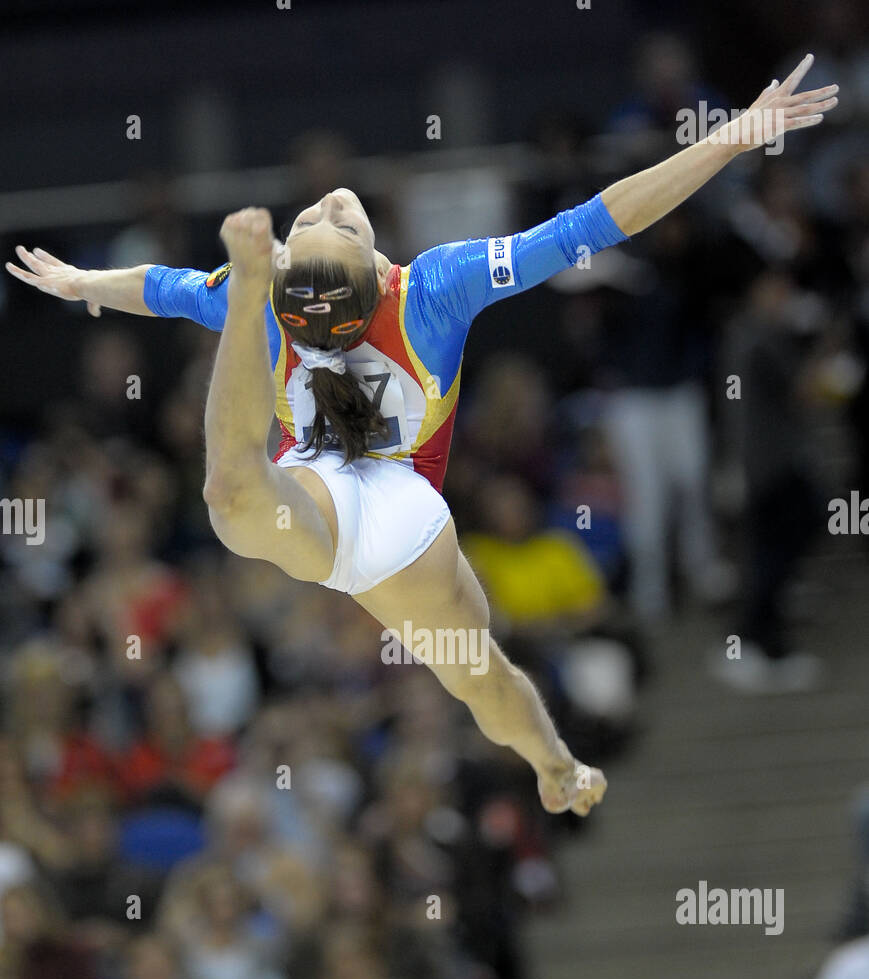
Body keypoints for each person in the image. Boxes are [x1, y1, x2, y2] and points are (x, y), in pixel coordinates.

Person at [7, 57, 837, 818]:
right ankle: (549, 759)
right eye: (328, 218)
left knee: (475, 670)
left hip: (400, 503)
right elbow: (155, 287)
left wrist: (730, 139)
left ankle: (554, 765)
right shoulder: (384, 287)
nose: (334, 202)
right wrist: (86, 285)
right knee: (231, 495)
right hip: (323, 485)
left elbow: (597, 221)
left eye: (331, 215)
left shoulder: (421, 288)